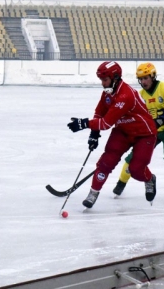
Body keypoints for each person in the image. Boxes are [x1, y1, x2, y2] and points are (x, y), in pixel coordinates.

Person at [67, 61, 157, 209]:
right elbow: (99, 113)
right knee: (106, 162)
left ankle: (149, 179)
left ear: (115, 77)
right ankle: (93, 192)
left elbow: (107, 123)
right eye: (101, 80)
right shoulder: (108, 92)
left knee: (135, 170)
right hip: (123, 131)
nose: (102, 84)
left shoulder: (125, 95)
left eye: (105, 80)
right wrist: (94, 133)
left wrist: (84, 124)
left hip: (144, 134)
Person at [113, 62, 164, 200]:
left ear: (153, 76)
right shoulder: (140, 95)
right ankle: (121, 182)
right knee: (134, 156)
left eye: (146, 78)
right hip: (152, 131)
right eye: (141, 79)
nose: (143, 82)